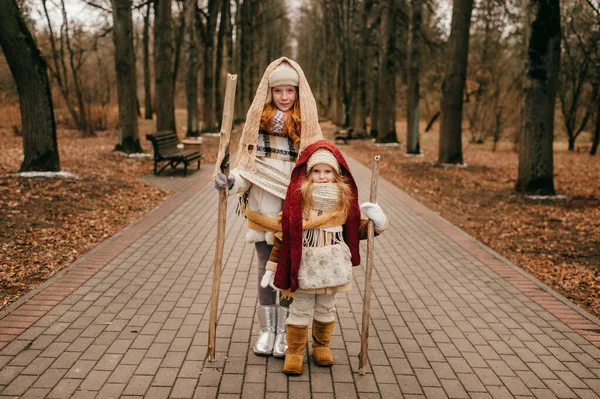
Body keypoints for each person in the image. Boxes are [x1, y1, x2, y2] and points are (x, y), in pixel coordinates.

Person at [214, 57, 323, 357]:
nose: (284, 97)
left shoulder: (308, 129)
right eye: (279, 91)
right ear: (270, 92)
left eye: (290, 91)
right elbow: (248, 172)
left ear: (298, 93)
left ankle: (286, 332)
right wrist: (230, 180)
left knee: (289, 273)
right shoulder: (258, 128)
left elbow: (319, 171)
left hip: (293, 215)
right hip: (263, 215)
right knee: (264, 271)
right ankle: (267, 330)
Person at [261, 140, 388, 375]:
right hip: (305, 264)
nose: (322, 176)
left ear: (336, 174)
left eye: (327, 171)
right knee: (300, 308)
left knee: (326, 308)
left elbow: (357, 231)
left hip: (333, 265)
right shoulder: (299, 201)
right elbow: (285, 236)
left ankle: (321, 346)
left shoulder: (344, 202)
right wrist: (272, 266)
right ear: (308, 174)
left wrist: (376, 222)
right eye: (316, 171)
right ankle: (295, 351)